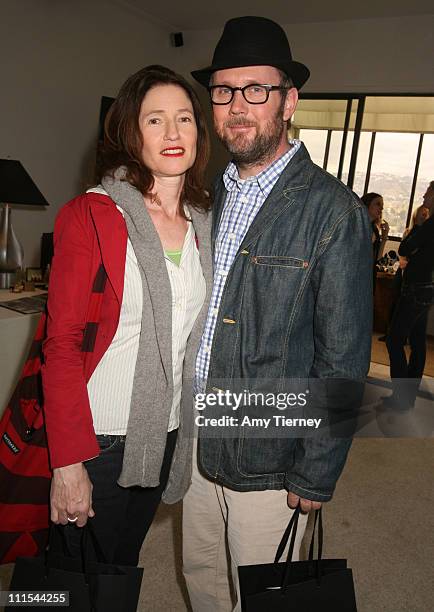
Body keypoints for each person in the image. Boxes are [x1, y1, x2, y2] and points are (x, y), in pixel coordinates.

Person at [183, 16, 373, 611]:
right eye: (224, 90)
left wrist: (317, 471)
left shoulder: (333, 211)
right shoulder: (206, 196)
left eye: (256, 90)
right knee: (203, 577)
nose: (238, 106)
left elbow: (342, 356)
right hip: (196, 438)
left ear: (289, 101)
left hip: (271, 453)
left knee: (264, 596)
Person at [41, 64, 212, 567]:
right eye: (155, 120)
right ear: (129, 132)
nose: (174, 132)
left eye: (184, 118)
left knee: (120, 570)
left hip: (166, 432)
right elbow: (62, 343)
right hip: (99, 439)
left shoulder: (204, 221)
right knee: (69, 580)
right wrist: (68, 462)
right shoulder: (91, 215)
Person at [382, 182, 434, 410]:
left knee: (394, 340)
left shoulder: (430, 224)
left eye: (428, 193)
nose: (423, 196)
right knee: (418, 342)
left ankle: (402, 397)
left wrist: (420, 226)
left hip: (415, 288)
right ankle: (408, 396)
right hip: (428, 287)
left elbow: (405, 248)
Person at [361, 192, 389, 291]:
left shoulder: (375, 229)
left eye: (382, 206)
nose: (381, 208)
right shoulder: (358, 227)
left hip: (368, 275)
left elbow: (377, 258)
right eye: (378, 204)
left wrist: (384, 237)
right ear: (367, 205)